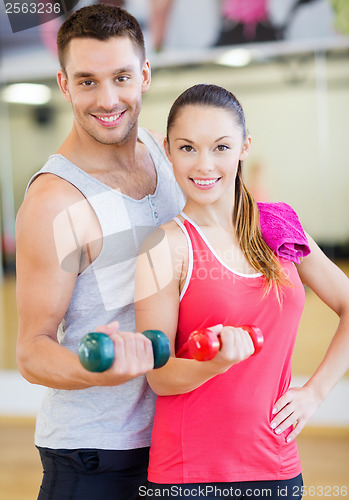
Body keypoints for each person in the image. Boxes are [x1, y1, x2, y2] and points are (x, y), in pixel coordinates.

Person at [134, 84, 349, 499]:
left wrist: (315, 392)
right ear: (167, 150)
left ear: (244, 147)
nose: (204, 164)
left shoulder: (279, 227)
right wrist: (215, 364)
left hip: (278, 465)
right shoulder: (165, 246)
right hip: (190, 476)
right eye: (187, 148)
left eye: (220, 147)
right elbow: (159, 375)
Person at [15, 4, 184, 500]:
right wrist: (97, 369)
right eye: (87, 81)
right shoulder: (55, 201)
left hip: (174, 439)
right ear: (65, 85)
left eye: (121, 77)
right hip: (96, 456)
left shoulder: (163, 153)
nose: (107, 99)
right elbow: (32, 351)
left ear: (145, 75)